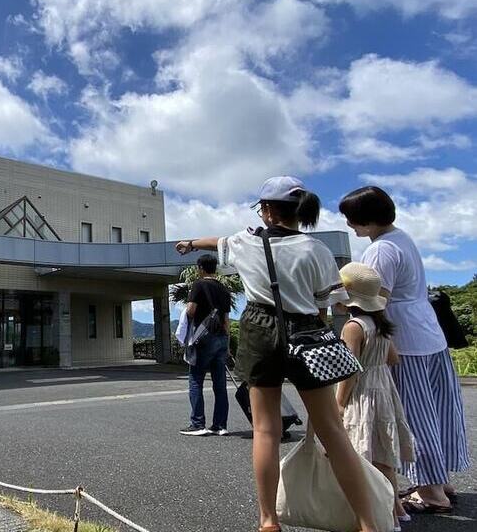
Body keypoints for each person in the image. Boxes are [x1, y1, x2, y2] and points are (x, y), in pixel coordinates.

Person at [176, 176, 379, 532]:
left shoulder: (245, 242)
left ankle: (268, 521)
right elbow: (325, 306)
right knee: (332, 431)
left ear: (267, 210)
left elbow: (216, 240)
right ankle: (367, 523)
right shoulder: (316, 250)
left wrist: (190, 243)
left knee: (266, 431)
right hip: (306, 330)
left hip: (258, 328)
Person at [339, 186, 470, 514]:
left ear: (368, 220)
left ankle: (431, 494)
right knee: (438, 412)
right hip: (429, 334)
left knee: (414, 416)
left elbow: (375, 300)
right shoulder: (403, 238)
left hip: (405, 339)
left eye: (353, 220)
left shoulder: (380, 251)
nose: (350, 226)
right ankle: (441, 482)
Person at [335, 262, 415, 531]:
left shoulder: (353, 327)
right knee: (384, 455)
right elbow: (393, 358)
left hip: (362, 394)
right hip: (385, 390)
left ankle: (378, 516)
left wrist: (339, 403)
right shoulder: (380, 325)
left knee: (362, 455)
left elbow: (351, 371)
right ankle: (397, 510)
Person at [179, 255, 232, 437]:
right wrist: (227, 345)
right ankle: (220, 425)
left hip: (204, 337)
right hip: (221, 338)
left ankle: (198, 424)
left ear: (200, 268)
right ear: (215, 268)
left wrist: (186, 312)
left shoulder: (199, 285)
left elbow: (192, 310)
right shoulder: (224, 289)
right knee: (220, 384)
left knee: (195, 379)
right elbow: (226, 320)